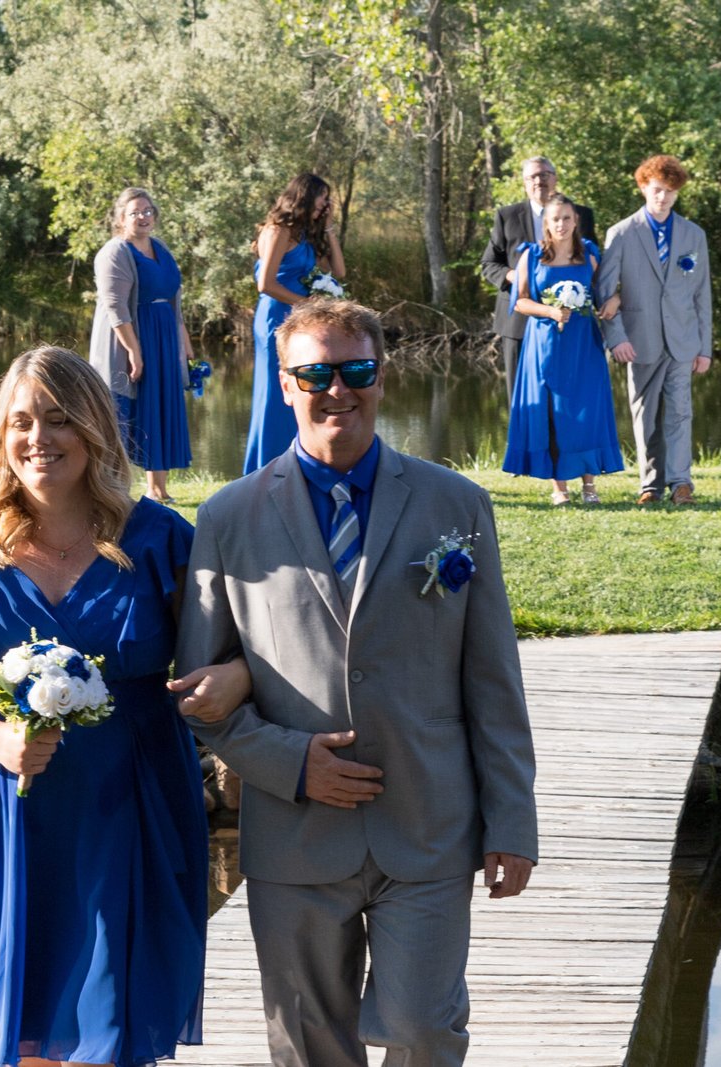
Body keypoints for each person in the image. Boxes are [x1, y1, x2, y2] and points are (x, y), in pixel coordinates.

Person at [176, 299, 538, 1067]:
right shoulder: (228, 517)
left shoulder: (456, 503)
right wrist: (291, 762)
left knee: (424, 1027)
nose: (336, 389)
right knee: (308, 1043)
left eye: (356, 370)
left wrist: (512, 818)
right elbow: (200, 698)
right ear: (284, 384)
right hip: (296, 833)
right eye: (314, 374)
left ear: (382, 375)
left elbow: (493, 679)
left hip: (429, 822)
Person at [0, 346, 250, 1066]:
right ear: (0, 433)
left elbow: (239, 653)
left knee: (109, 1018)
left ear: (94, 429)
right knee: (23, 1019)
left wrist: (235, 678)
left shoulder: (161, 541)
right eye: (21, 421)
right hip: (3, 810)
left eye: (59, 419)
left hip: (130, 805)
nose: (38, 438)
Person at [595, 154, 713, 506]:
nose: (663, 197)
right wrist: (617, 338)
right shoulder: (621, 233)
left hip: (683, 340)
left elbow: (702, 294)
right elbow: (604, 292)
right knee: (645, 416)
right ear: (644, 187)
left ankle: (681, 483)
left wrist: (704, 347)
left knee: (680, 412)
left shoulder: (693, 234)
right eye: (658, 190)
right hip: (639, 340)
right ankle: (650, 485)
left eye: (670, 192)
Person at [503, 192, 624, 504]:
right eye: (555, 219)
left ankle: (589, 487)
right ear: (546, 222)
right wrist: (550, 311)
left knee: (586, 411)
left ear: (575, 220)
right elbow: (520, 301)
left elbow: (604, 293)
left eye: (566, 218)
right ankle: (560, 489)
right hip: (545, 346)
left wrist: (615, 299)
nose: (561, 224)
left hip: (584, 345)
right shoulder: (531, 256)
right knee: (552, 412)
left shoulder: (589, 255)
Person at [88, 186, 195, 504]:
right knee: (122, 410)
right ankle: (111, 488)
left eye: (147, 211)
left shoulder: (160, 248)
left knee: (159, 406)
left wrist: (184, 341)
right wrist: (134, 351)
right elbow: (116, 308)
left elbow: (173, 298)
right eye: (135, 212)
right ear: (121, 218)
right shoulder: (114, 253)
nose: (143, 217)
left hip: (162, 336)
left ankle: (158, 489)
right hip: (128, 337)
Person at [243, 172, 347, 474]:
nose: (325, 204)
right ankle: (265, 467)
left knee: (303, 389)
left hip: (299, 320)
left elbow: (338, 271)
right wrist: (307, 303)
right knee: (276, 393)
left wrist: (328, 228)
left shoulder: (304, 234)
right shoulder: (278, 230)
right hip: (276, 317)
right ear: (306, 196)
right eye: (322, 198)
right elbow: (265, 284)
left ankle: (297, 465)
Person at [480, 156, 597, 392]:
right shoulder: (507, 216)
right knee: (523, 397)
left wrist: (610, 298)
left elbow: (593, 265)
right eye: (532, 177)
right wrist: (518, 277)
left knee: (568, 397)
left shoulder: (581, 214)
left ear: (555, 178)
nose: (538, 181)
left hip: (570, 323)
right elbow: (489, 264)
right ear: (524, 182)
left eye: (544, 175)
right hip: (518, 324)